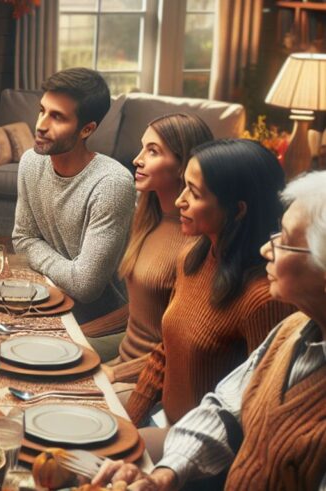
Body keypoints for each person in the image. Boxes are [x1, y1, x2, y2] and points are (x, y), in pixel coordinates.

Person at [93, 170, 326, 490]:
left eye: (285, 241)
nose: (266, 250)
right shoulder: (292, 329)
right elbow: (225, 408)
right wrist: (165, 474)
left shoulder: (265, 304)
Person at [125, 140, 296, 455]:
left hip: (205, 452)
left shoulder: (265, 299)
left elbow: (256, 415)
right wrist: (129, 421)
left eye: (195, 193)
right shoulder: (192, 255)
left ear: (238, 210)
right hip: (164, 420)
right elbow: (165, 354)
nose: (179, 200)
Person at [11, 67, 136, 360]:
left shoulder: (111, 183)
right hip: (47, 302)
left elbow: (86, 286)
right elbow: (21, 238)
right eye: (42, 111)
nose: (41, 125)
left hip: (99, 322)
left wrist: (37, 253)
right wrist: (67, 268)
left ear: (87, 129)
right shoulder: (31, 162)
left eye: (58, 117)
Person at [108, 114, 214, 392]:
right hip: (122, 360)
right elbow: (139, 309)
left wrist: (116, 373)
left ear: (184, 165)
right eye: (143, 148)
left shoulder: (194, 242)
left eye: (153, 151)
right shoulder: (147, 218)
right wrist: (81, 334)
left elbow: (176, 350)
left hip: (150, 382)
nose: (138, 159)